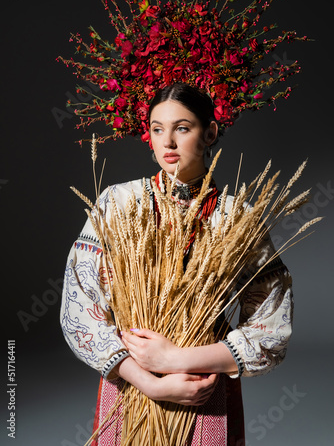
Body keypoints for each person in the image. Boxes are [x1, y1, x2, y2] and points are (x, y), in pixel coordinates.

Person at [60, 82, 293, 445]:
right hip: (131, 384)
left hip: (202, 388)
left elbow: (271, 330)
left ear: (210, 132)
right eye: (157, 129)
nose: (166, 142)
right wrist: (150, 381)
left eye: (182, 128)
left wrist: (176, 359)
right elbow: (81, 311)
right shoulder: (118, 202)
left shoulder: (237, 218)